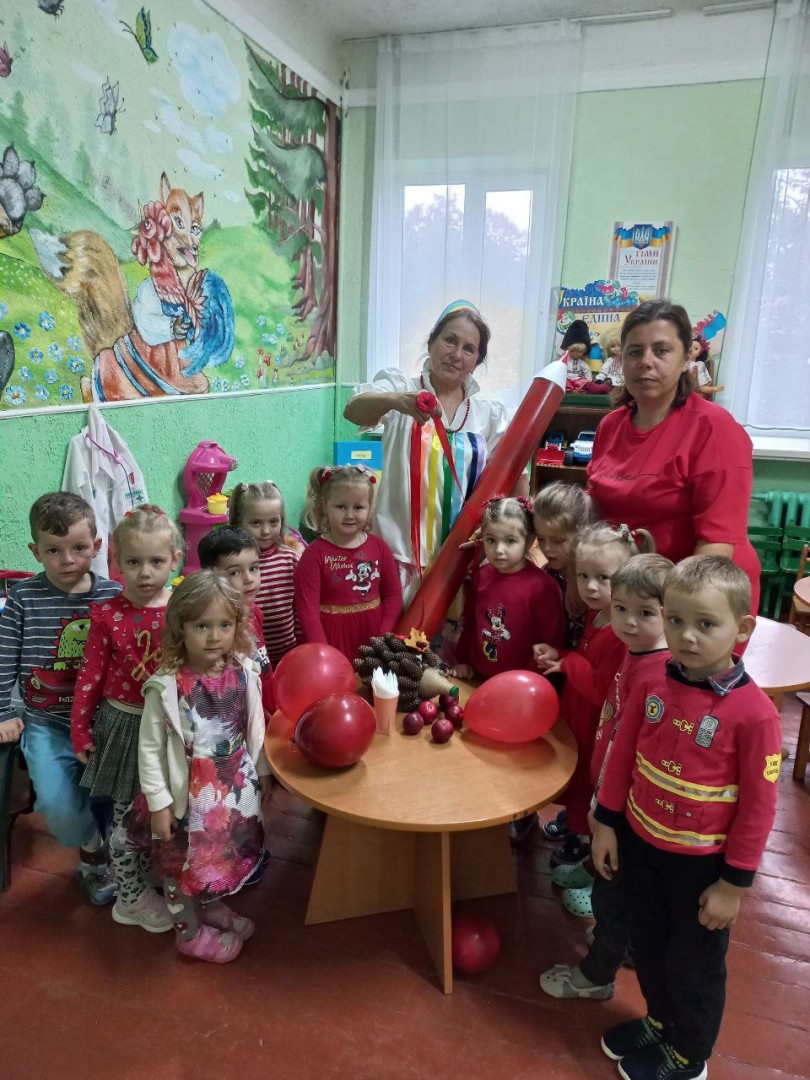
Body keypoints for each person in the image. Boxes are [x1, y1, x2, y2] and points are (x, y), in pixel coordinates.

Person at [592, 556, 781, 1080]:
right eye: (675, 620)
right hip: (641, 845)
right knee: (649, 945)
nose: (686, 636)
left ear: (741, 629)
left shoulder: (756, 715)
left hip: (701, 869)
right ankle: (659, 1020)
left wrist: (733, 885)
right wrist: (607, 822)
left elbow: (759, 808)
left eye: (705, 624)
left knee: (693, 964)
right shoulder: (655, 682)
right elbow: (623, 755)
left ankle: (688, 1053)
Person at [540, 553, 672, 1002]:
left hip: (626, 809)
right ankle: (612, 942)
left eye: (645, 613)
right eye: (621, 609)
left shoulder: (658, 675)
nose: (629, 622)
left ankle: (596, 976)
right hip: (611, 797)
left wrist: (609, 813)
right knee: (612, 895)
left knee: (615, 901)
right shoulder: (635, 654)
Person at [587, 300, 761, 614]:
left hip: (699, 597)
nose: (646, 361)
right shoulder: (610, 425)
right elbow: (595, 507)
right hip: (627, 591)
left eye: (661, 350)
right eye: (635, 352)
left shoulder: (715, 428)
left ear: (685, 359)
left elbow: (716, 546)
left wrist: (669, 617)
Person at [134, 572, 270, 963]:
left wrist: (262, 772)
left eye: (224, 625)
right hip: (186, 798)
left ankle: (208, 908)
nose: (214, 636)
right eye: (201, 626)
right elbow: (149, 750)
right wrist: (159, 804)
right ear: (180, 628)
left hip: (230, 793)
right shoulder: (166, 686)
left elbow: (254, 728)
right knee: (179, 866)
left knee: (215, 859)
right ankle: (188, 933)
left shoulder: (244, 672)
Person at [343, 300, 513, 601]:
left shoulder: (489, 416)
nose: (456, 354)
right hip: (397, 562)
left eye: (469, 349)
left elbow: (512, 478)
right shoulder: (399, 386)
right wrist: (397, 400)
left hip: (459, 564)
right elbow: (353, 411)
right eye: (450, 340)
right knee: (393, 634)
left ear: (477, 361)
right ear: (432, 342)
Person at [0, 493, 122, 903]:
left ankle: (113, 861)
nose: (67, 559)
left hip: (106, 724)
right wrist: (2, 711)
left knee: (115, 799)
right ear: (35, 551)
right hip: (47, 724)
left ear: (97, 546)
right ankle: (92, 849)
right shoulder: (23, 599)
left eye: (79, 547)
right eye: (53, 550)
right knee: (57, 804)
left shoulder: (113, 596)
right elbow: (3, 657)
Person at [70, 505, 182, 932]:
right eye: (133, 562)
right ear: (116, 561)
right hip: (124, 726)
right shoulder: (106, 615)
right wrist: (80, 730)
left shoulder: (182, 609)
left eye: (156, 561)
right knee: (127, 816)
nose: (145, 572)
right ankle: (130, 896)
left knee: (167, 808)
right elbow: (90, 677)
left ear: (174, 559)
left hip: (173, 725)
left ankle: (157, 875)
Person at [534, 524, 652, 875]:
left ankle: (583, 845)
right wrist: (561, 654)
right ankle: (573, 823)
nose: (590, 587)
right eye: (583, 576)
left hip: (597, 720)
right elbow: (586, 658)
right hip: (580, 712)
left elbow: (604, 689)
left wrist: (568, 663)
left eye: (603, 578)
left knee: (588, 779)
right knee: (576, 773)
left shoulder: (620, 630)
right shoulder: (597, 612)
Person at [531, 481, 592, 847]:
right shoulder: (548, 576)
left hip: (586, 683)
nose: (548, 549)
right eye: (542, 539)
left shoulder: (592, 580)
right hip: (559, 675)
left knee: (585, 755)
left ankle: (581, 829)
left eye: (558, 540)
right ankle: (569, 817)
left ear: (581, 534)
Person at [295, 465, 402, 662]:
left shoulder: (380, 548)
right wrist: (324, 654)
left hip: (373, 639)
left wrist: (382, 636)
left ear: (369, 508)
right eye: (341, 507)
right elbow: (308, 611)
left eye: (358, 507)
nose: (350, 515)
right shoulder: (313, 555)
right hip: (330, 642)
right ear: (324, 507)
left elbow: (393, 595)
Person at [453, 496, 565, 680]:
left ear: (529, 541)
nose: (499, 550)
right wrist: (463, 661)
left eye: (510, 541)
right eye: (491, 540)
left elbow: (551, 642)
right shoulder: (480, 576)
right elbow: (469, 624)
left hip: (520, 685)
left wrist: (526, 680)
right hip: (476, 677)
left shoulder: (543, 587)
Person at [198, 526, 275, 715]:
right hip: (243, 709)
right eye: (234, 572)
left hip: (266, 696)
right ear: (210, 577)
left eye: (253, 568)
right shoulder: (220, 627)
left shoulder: (253, 609)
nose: (249, 579)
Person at [229, 481, 301, 665]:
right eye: (256, 523)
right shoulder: (232, 565)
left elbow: (300, 608)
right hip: (249, 658)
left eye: (273, 522)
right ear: (238, 521)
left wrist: (303, 646)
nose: (266, 531)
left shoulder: (291, 559)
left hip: (289, 653)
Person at [559, 319, 594, 392]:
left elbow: (587, 372)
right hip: (567, 379)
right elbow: (558, 370)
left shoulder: (581, 363)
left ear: (583, 352)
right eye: (572, 351)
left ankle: (578, 388)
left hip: (578, 380)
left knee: (584, 382)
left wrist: (589, 381)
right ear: (567, 349)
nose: (576, 353)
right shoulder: (564, 361)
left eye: (579, 352)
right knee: (563, 381)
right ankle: (570, 389)